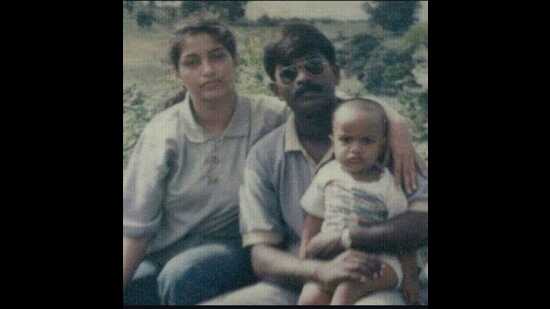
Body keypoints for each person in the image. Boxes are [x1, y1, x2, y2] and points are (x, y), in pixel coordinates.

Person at [202, 23, 428, 305]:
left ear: (336, 73)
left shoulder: (383, 138)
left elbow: (422, 221)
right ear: (276, 89)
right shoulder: (265, 156)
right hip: (303, 278)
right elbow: (262, 256)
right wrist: (322, 271)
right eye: (288, 73)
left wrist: (349, 237)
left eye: (314, 67)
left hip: (378, 276)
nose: (303, 78)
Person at [122, 20, 290, 305]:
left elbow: (332, 105)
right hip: (164, 250)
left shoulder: (269, 117)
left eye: (217, 56)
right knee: (135, 285)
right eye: (192, 62)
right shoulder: (163, 132)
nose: (208, 70)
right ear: (176, 73)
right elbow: (136, 227)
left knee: (184, 273)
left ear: (235, 60)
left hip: (239, 248)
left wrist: (394, 121)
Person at [298, 98, 420, 305]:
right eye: (346, 140)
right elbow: (312, 223)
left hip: (382, 262)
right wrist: (306, 267)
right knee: (310, 298)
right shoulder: (327, 175)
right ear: (333, 141)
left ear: (381, 145)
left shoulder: (389, 184)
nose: (355, 149)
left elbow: (403, 240)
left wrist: (410, 278)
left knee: (347, 289)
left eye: (366, 141)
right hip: (334, 260)